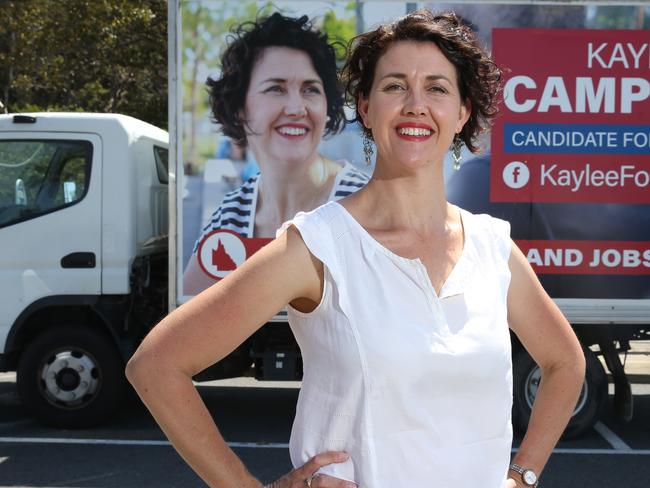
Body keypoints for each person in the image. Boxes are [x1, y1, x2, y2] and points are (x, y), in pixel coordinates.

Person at [127, 10, 585, 488]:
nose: (415, 104)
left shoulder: (493, 248)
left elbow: (566, 363)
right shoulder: (318, 247)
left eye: (437, 88)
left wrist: (523, 476)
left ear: (463, 112)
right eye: (394, 86)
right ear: (365, 107)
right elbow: (156, 366)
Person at [183, 13, 369, 295]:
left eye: (310, 89)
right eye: (276, 88)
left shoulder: (365, 206)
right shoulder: (231, 214)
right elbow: (189, 311)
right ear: (239, 108)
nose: (296, 107)